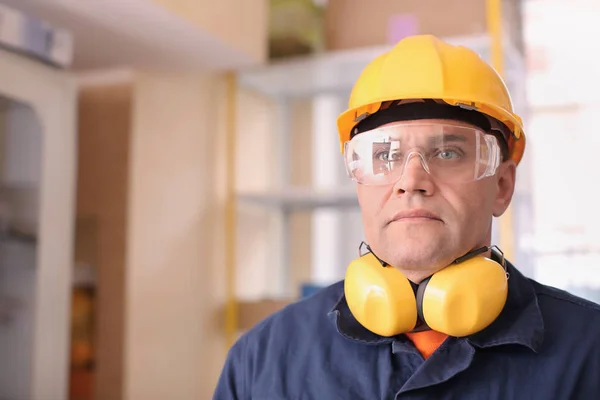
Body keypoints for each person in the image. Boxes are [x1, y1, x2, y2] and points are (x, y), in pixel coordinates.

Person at [213, 35, 600, 399]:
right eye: (385, 156)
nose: (411, 181)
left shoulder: (589, 353)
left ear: (501, 185)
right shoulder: (261, 361)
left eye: (448, 153)